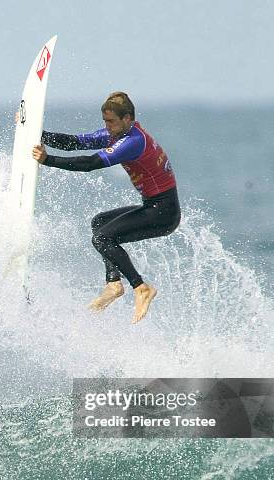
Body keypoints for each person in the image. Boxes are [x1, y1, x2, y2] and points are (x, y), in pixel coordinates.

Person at [31, 92, 181, 323]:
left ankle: (140, 287)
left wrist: (47, 160)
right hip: (153, 206)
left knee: (102, 238)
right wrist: (36, 134)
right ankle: (113, 284)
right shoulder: (116, 134)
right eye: (105, 121)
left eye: (111, 121)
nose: (107, 126)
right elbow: (74, 143)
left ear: (127, 118)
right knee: (100, 223)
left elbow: (90, 164)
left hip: (163, 213)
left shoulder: (133, 141)